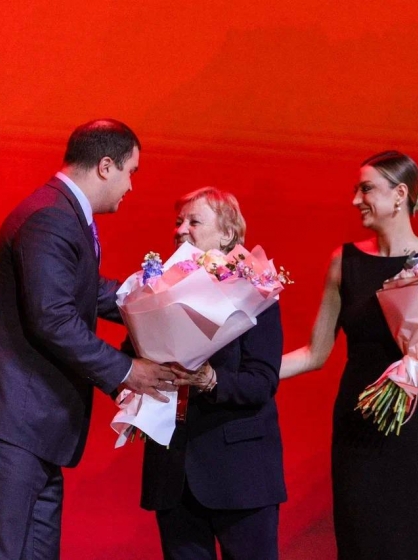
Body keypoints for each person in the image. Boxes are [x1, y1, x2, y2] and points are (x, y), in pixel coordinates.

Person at [0, 119, 176, 560]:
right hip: (9, 416)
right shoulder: (50, 216)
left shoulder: (64, 214)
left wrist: (160, 303)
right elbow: (53, 318)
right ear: (106, 166)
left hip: (34, 425)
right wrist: (126, 371)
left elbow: (86, 291)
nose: (131, 186)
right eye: (131, 172)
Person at [280, 151, 418, 559]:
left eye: (366, 189)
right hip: (360, 424)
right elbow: (315, 354)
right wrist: (243, 373)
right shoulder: (344, 261)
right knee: (363, 542)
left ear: (400, 194)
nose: (356, 200)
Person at [138, 187, 286, 560]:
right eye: (178, 222)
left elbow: (262, 380)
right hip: (173, 475)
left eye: (194, 221)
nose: (180, 230)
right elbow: (134, 359)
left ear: (227, 234)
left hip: (241, 476)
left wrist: (211, 380)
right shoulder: (154, 292)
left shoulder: (255, 291)